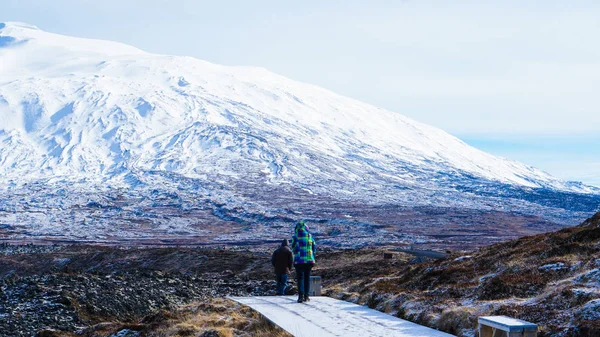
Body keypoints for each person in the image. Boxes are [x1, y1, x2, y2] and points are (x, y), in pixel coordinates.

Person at [291, 220, 316, 303]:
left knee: (300, 278)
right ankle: (306, 296)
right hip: (309, 261)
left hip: (299, 261)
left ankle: (300, 297)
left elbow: (293, 249)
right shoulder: (310, 236)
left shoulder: (295, 237)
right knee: (307, 278)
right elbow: (314, 248)